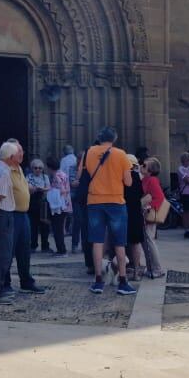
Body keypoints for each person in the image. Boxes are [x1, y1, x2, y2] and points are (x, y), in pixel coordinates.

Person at [0, 140, 43, 304]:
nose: (22, 154)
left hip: (17, 214)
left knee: (12, 251)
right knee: (3, 254)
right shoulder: (3, 171)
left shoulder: (2, 168)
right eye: (19, 152)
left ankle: (5, 286)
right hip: (6, 214)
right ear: (10, 156)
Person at [81, 127, 135, 296]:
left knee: (97, 241)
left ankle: (98, 281)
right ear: (114, 138)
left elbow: (80, 176)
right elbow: (128, 182)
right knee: (119, 242)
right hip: (115, 201)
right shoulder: (121, 154)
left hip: (95, 201)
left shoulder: (88, 152)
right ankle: (123, 281)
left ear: (99, 137)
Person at [138, 157, 167, 278]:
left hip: (149, 213)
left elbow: (159, 198)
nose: (141, 166)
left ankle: (157, 268)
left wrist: (148, 208)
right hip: (146, 213)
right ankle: (151, 268)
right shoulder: (146, 179)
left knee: (149, 241)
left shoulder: (152, 180)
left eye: (144, 165)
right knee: (146, 242)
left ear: (150, 170)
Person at [27, 157, 52, 253]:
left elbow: (49, 187)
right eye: (35, 168)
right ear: (32, 168)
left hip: (43, 202)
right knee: (33, 225)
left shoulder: (45, 177)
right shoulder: (29, 177)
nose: (38, 170)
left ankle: (45, 245)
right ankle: (33, 245)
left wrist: (42, 189)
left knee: (45, 225)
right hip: (32, 202)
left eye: (40, 168)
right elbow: (26, 187)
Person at [47, 158, 71, 255]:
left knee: (57, 229)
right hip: (65, 203)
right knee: (59, 228)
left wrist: (49, 190)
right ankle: (61, 249)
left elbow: (61, 190)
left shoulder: (56, 176)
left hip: (59, 205)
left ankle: (61, 250)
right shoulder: (63, 174)